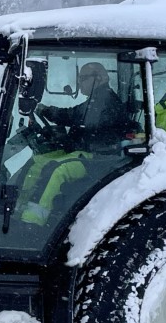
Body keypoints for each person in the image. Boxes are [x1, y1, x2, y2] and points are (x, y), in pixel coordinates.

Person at [18, 62, 130, 225]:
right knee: (37, 162)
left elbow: (76, 117)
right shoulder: (96, 99)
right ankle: (18, 210)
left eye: (83, 78)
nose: (79, 83)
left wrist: (48, 112)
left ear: (99, 78)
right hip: (85, 151)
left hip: (100, 157)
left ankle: (32, 222)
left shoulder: (105, 100)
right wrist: (46, 113)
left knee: (55, 169)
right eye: (79, 78)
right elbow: (76, 116)